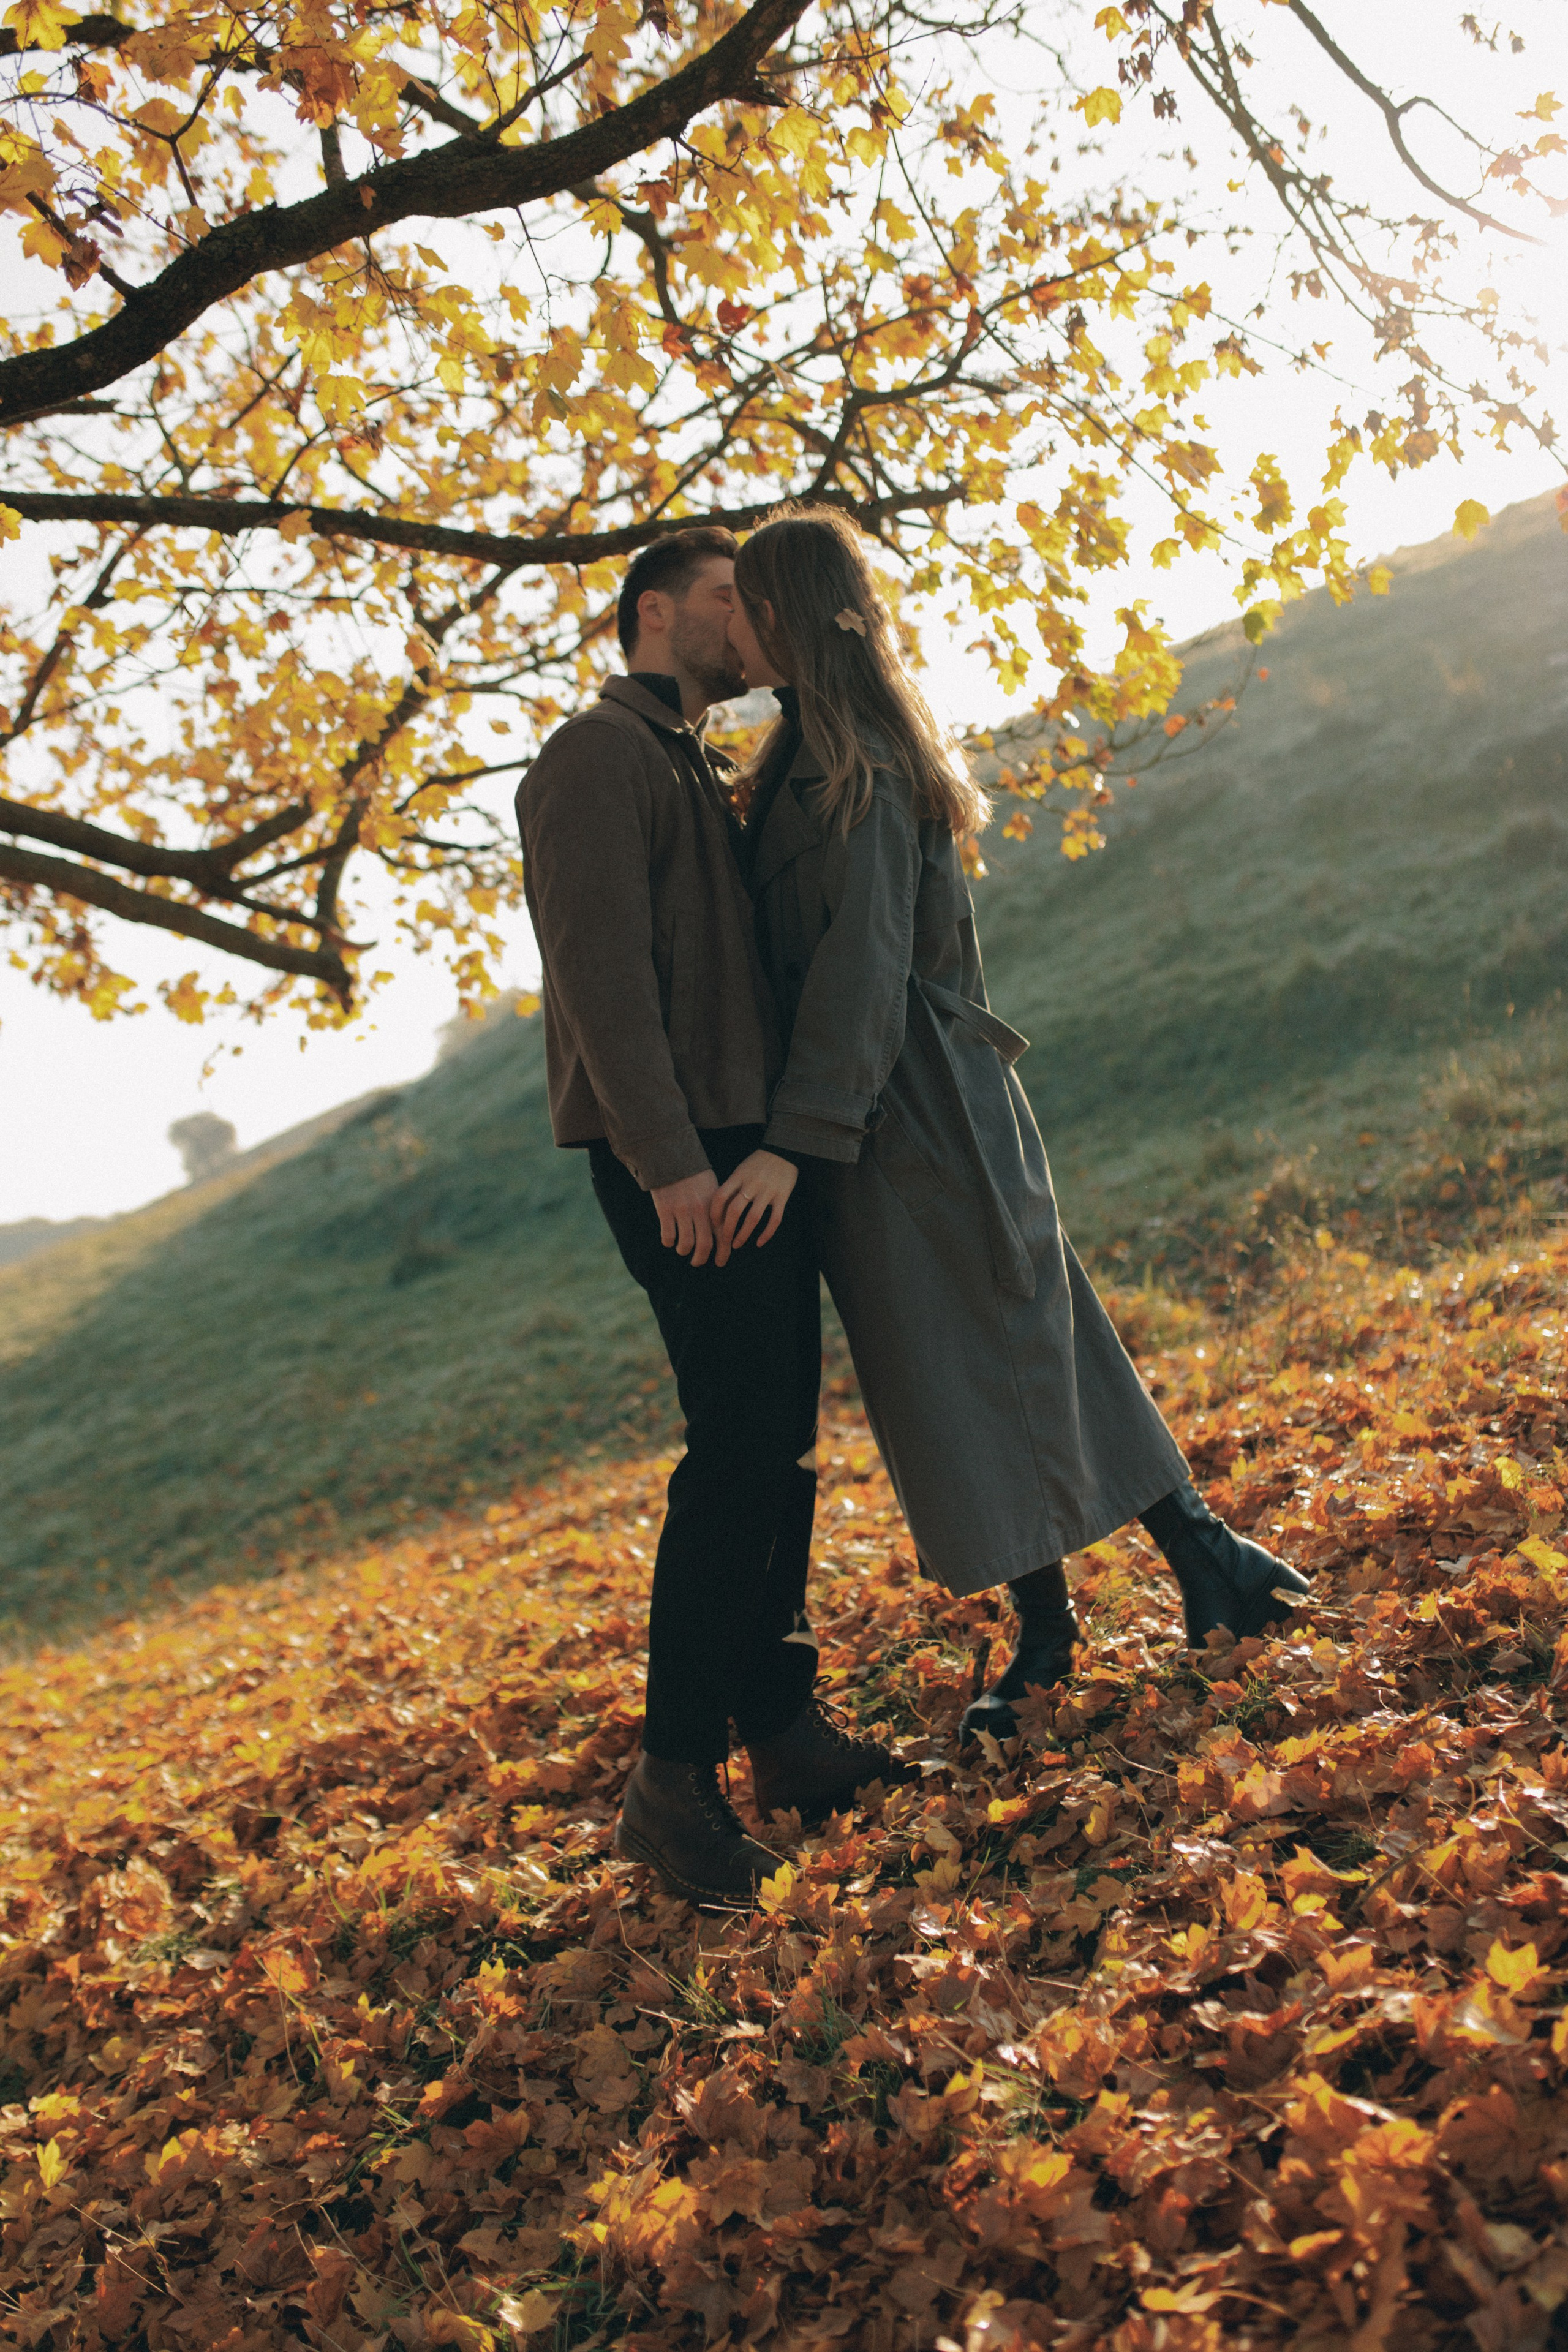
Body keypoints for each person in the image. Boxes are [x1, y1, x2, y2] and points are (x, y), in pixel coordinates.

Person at [710, 505, 1309, 1741]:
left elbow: (863, 973)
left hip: (915, 1111)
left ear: (783, 613)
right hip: (870, 1122)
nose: (729, 626)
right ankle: (1180, 1571)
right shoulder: (797, 758)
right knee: (959, 1371)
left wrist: (792, 1142)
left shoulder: (864, 770)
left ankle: (1098, 1611)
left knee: (1003, 1351)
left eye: (744, 603)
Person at [515, 526, 894, 1912]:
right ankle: (670, 1786)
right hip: (678, 1159)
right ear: (653, 611)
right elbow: (601, 981)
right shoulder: (591, 757)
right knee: (735, 1453)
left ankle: (781, 1729)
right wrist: (670, 1162)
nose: (747, 624)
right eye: (727, 600)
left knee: (774, 1446)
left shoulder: (686, 761)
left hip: (735, 1144)